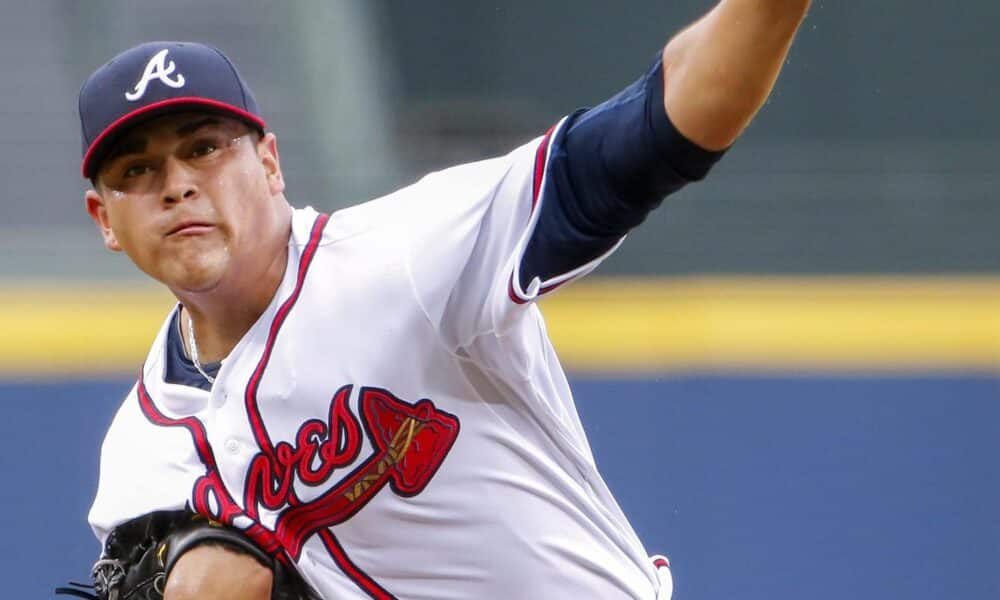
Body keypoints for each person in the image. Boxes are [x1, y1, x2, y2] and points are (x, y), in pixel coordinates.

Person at [74, 2, 810, 598]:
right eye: (138, 170)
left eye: (204, 147)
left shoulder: (407, 254)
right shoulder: (144, 450)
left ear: (269, 161)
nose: (176, 184)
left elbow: (651, 130)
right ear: (106, 220)